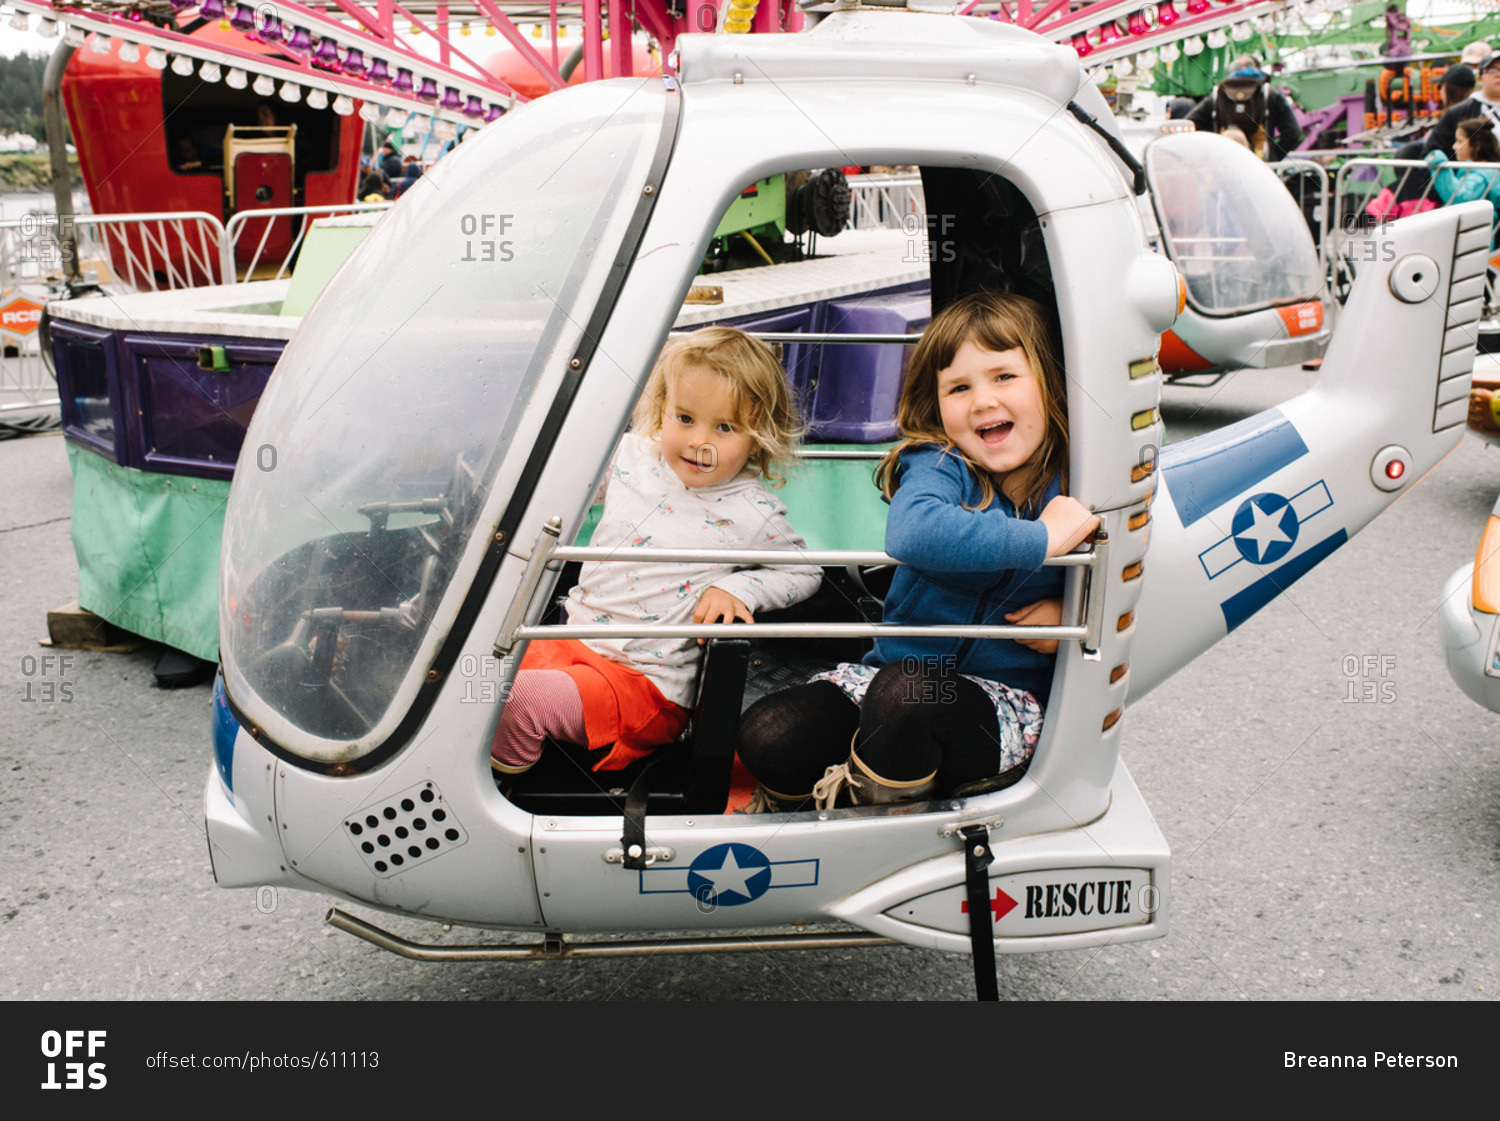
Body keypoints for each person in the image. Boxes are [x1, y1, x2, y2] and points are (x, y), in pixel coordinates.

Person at [736, 292, 1099, 812]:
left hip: (999, 706)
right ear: (937, 404)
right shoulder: (940, 463)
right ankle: (848, 796)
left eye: (1004, 377)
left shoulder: (1080, 474)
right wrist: (1043, 541)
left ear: (1049, 380)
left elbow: (1137, 574)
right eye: (959, 387)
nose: (982, 401)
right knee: (768, 732)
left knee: (907, 697)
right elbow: (913, 534)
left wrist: (1076, 615)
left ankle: (877, 827)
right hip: (889, 681)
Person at [489, 327, 822, 780]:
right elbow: (567, 491)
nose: (698, 442)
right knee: (470, 682)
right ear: (662, 409)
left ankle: (504, 797)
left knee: (516, 702)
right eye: (684, 418)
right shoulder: (634, 457)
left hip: (643, 683)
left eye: (724, 427)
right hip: (569, 642)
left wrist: (737, 586)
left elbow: (805, 572)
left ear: (758, 436)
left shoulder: (752, 510)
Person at [1186, 55, 1304, 160]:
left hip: (1226, 162)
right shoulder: (1270, 94)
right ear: (1258, 69)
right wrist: (1274, 156)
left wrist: (1213, 146)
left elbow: (1190, 124)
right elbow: (1293, 132)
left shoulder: (1218, 94)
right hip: (1261, 163)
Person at [1424, 50, 1500, 161]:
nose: (1498, 74)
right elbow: (1434, 152)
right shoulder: (1458, 113)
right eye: (1492, 70)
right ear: (1480, 78)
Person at [1425, 117, 1500, 214]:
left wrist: (1439, 163)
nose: (1454, 146)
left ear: (1476, 146)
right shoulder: (1481, 171)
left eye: (1460, 141)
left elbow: (1458, 197)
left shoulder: (1481, 177)